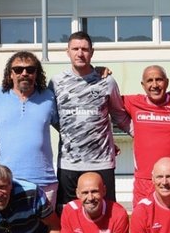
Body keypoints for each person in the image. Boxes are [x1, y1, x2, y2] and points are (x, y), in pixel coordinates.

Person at [50, 31, 131, 208]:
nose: (80, 53)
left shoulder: (107, 81)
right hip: (69, 163)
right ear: (68, 52)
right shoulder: (56, 82)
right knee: (69, 216)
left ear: (92, 52)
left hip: (101, 162)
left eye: (85, 49)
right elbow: (54, 118)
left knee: (106, 214)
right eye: (75, 49)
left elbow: (119, 115)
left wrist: (143, 134)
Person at [0, 52, 59, 204]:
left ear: (37, 73)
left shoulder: (49, 97)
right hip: (5, 182)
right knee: (8, 228)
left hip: (44, 182)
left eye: (30, 69)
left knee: (48, 227)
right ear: (10, 74)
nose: (24, 73)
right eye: (18, 70)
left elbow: (70, 127)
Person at [123, 65, 170, 205]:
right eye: (150, 81)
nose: (154, 85)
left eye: (159, 80)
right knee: (141, 223)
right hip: (145, 180)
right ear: (143, 85)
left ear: (166, 82)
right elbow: (107, 101)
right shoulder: (133, 102)